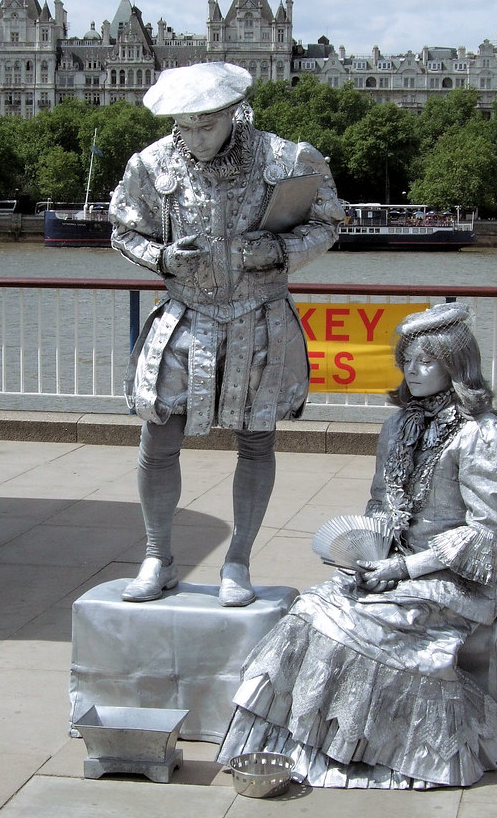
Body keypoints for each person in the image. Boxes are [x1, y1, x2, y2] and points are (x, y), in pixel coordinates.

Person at [218, 303, 497, 787]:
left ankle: (375, 751)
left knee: (365, 628)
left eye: (426, 361)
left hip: (454, 578)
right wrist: (369, 552)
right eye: (407, 360)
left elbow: (484, 532)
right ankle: (312, 746)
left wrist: (404, 570)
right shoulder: (398, 425)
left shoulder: (484, 434)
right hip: (390, 563)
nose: (411, 371)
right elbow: (380, 501)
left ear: (456, 364)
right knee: (309, 609)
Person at [109, 62, 343, 607]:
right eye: (184, 127)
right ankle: (157, 554)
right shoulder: (150, 164)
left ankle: (237, 561)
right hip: (185, 317)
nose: (194, 138)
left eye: (206, 126)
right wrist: (163, 257)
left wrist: (283, 251)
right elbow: (122, 229)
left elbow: (330, 219)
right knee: (158, 437)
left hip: (258, 319)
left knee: (257, 440)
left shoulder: (286, 158)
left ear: (232, 114)